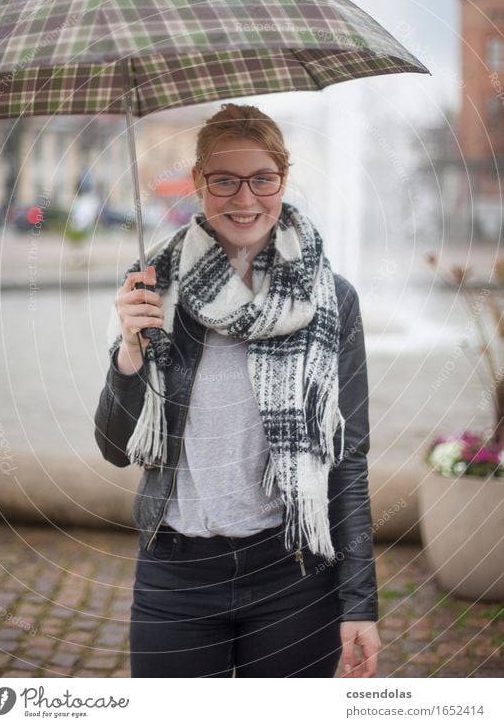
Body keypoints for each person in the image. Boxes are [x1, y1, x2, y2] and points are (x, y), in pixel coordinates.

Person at [94, 102, 381, 678]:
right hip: (175, 570)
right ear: (199, 182)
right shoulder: (153, 289)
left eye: (261, 179)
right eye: (225, 180)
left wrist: (359, 604)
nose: (244, 199)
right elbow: (114, 447)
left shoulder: (332, 299)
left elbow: (347, 460)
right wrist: (129, 352)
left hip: (293, 570)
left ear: (283, 179)